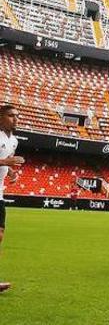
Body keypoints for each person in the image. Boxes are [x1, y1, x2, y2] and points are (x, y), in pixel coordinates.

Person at [0, 104, 25, 292]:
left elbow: (6, 162)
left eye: (17, 116)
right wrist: (6, 162)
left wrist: (11, 173)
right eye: (11, 116)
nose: (15, 119)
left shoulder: (14, 141)